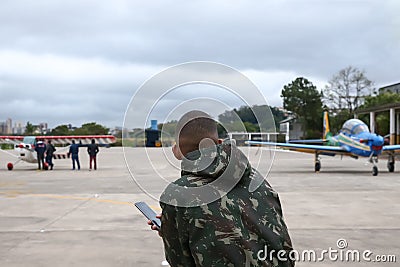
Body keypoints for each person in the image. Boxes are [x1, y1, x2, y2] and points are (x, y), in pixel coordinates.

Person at [149, 111, 294, 267]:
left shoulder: (177, 195)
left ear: (176, 149)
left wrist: (173, 228)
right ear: (218, 142)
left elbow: (180, 262)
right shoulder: (256, 180)